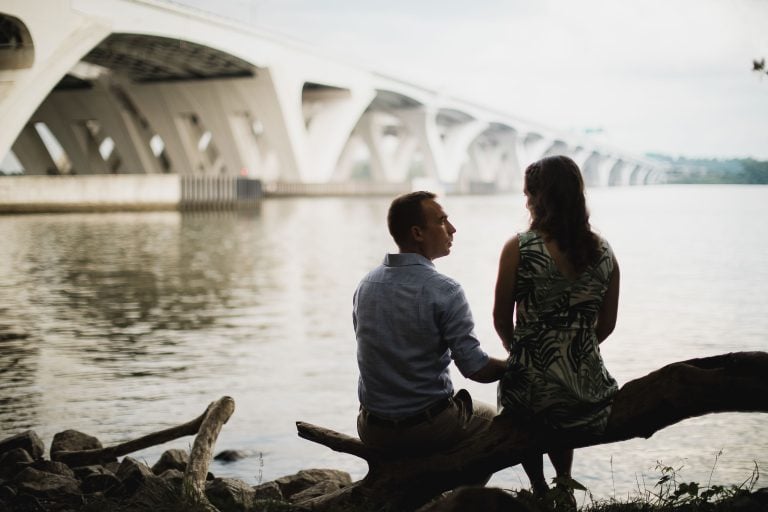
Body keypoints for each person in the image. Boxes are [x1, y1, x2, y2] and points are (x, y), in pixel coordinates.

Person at [493, 155, 620, 500]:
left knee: (526, 394)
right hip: (587, 386)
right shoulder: (605, 253)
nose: (526, 201)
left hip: (531, 383)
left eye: (527, 194)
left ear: (540, 197)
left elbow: (501, 318)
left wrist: (523, 352)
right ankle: (564, 482)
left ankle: (537, 488)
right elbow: (606, 325)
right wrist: (575, 351)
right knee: (560, 397)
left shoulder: (520, 248)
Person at [354, 190, 506, 456]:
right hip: (426, 428)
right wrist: (518, 366)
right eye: (442, 221)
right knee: (497, 424)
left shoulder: (366, 284)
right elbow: (476, 369)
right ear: (417, 233)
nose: (452, 229)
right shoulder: (445, 290)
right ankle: (463, 495)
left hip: (371, 428)